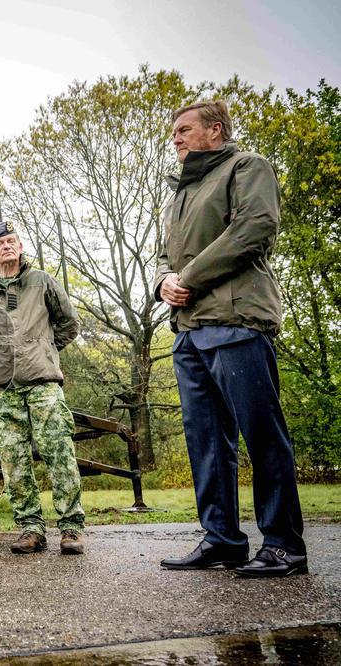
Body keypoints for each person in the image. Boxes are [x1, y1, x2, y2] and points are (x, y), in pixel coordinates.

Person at [155, 101, 307, 577]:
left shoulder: (247, 167)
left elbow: (254, 229)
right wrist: (162, 281)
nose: (175, 138)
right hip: (189, 331)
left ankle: (284, 545)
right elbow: (164, 255)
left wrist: (189, 278)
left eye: (184, 130)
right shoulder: (180, 193)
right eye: (173, 132)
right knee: (206, 442)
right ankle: (222, 539)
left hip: (237, 322)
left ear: (214, 131)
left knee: (262, 435)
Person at [0, 224, 85, 555]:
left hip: (42, 383)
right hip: (1, 389)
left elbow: (69, 323)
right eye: (0, 243)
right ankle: (30, 528)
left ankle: (71, 528)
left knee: (59, 452)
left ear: (21, 246)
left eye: (12, 241)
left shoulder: (42, 281)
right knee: (13, 461)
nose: (7, 246)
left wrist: (46, 350)